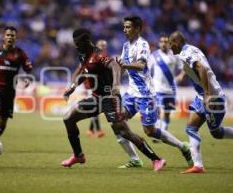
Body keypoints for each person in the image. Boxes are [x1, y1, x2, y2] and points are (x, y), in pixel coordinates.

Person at [61, 28, 165, 171]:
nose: (75, 45)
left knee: (124, 132)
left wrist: (116, 85)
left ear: (86, 41)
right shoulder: (83, 55)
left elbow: (115, 66)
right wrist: (72, 88)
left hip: (110, 98)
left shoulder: (98, 55)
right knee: (68, 118)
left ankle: (157, 159)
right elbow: (84, 73)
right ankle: (78, 155)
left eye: (78, 43)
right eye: (75, 43)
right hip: (97, 98)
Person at [168, 31, 233, 174]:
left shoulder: (185, 53)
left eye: (171, 44)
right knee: (198, 129)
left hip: (212, 97)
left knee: (211, 132)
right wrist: (183, 75)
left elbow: (202, 68)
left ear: (178, 42)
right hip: (203, 95)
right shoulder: (191, 49)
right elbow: (195, 67)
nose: (170, 47)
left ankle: (199, 166)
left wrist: (207, 95)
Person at [115, 16, 193, 168]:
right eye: (124, 27)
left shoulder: (143, 44)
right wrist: (116, 71)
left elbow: (141, 65)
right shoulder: (125, 46)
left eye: (128, 27)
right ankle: (135, 159)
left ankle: (182, 146)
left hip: (145, 94)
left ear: (137, 29)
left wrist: (125, 65)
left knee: (150, 131)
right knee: (117, 122)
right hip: (131, 93)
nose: (124, 30)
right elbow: (124, 67)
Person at [148, 33, 185, 133]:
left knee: (167, 112)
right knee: (157, 110)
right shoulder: (153, 56)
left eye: (166, 42)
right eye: (161, 42)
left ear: (169, 43)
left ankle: (164, 131)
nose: (163, 43)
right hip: (157, 88)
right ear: (159, 43)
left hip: (170, 89)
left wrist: (181, 75)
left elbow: (184, 67)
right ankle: (159, 131)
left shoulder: (174, 55)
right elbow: (146, 69)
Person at [85, 40, 108, 138]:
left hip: (100, 86)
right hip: (91, 86)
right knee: (95, 108)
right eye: (100, 45)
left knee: (96, 108)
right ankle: (97, 130)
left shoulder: (105, 56)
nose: (102, 47)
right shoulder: (91, 56)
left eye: (104, 45)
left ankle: (90, 130)